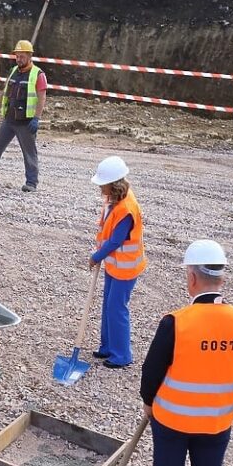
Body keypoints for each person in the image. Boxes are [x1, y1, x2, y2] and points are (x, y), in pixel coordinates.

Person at [140, 239, 233, 466]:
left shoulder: (175, 322)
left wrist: (148, 403)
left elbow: (151, 372)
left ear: (192, 278)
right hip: (217, 421)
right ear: (221, 280)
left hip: (172, 421)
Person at [88, 156, 146, 368]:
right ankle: (107, 347)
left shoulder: (126, 208)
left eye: (102, 184)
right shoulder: (113, 199)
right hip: (115, 264)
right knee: (108, 305)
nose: (99, 187)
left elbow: (116, 240)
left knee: (116, 308)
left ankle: (122, 354)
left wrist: (96, 257)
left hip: (126, 267)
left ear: (113, 184)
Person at [0, 40, 47, 192]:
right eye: (17, 56)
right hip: (9, 119)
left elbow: (41, 98)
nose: (19, 59)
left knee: (29, 153)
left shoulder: (38, 74)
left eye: (22, 56)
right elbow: (5, 91)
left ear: (29, 56)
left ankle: (31, 183)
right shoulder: (14, 71)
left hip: (25, 122)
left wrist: (36, 118)